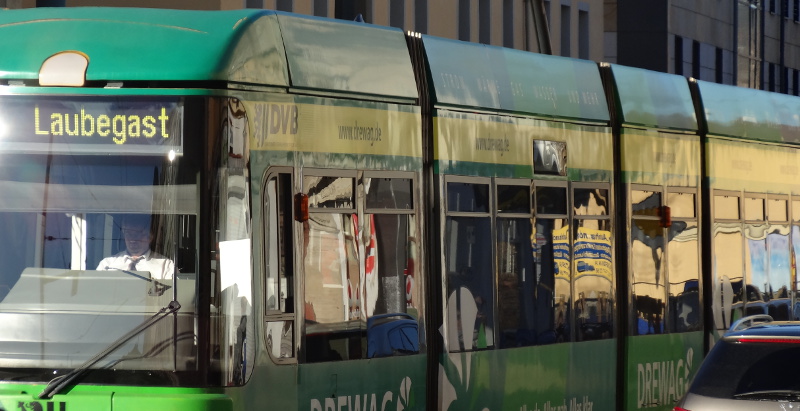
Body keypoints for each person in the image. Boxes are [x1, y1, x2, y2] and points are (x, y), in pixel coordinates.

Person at [97, 215, 175, 280]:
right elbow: (95, 291)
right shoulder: (107, 264)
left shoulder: (165, 265)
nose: (132, 238)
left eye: (138, 234)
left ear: (150, 237)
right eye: (128, 233)